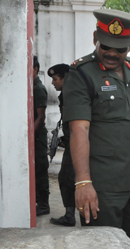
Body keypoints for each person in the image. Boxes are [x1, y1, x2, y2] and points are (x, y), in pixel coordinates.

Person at [62, 9, 130, 247]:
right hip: (103, 185)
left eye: (120, 48)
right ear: (95, 37)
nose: (112, 53)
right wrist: (83, 182)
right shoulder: (81, 73)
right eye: (106, 46)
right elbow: (79, 130)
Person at [47, 63, 75, 226]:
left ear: (65, 79)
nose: (53, 83)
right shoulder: (66, 94)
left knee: (66, 177)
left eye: (56, 79)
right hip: (72, 142)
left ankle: (70, 215)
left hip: (76, 145)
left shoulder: (71, 95)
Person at [33, 56, 50, 216]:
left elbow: (40, 117)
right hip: (34, 135)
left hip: (38, 136)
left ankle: (44, 204)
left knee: (40, 168)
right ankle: (38, 201)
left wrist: (29, 134)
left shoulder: (38, 88)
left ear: (35, 69)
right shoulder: (31, 86)